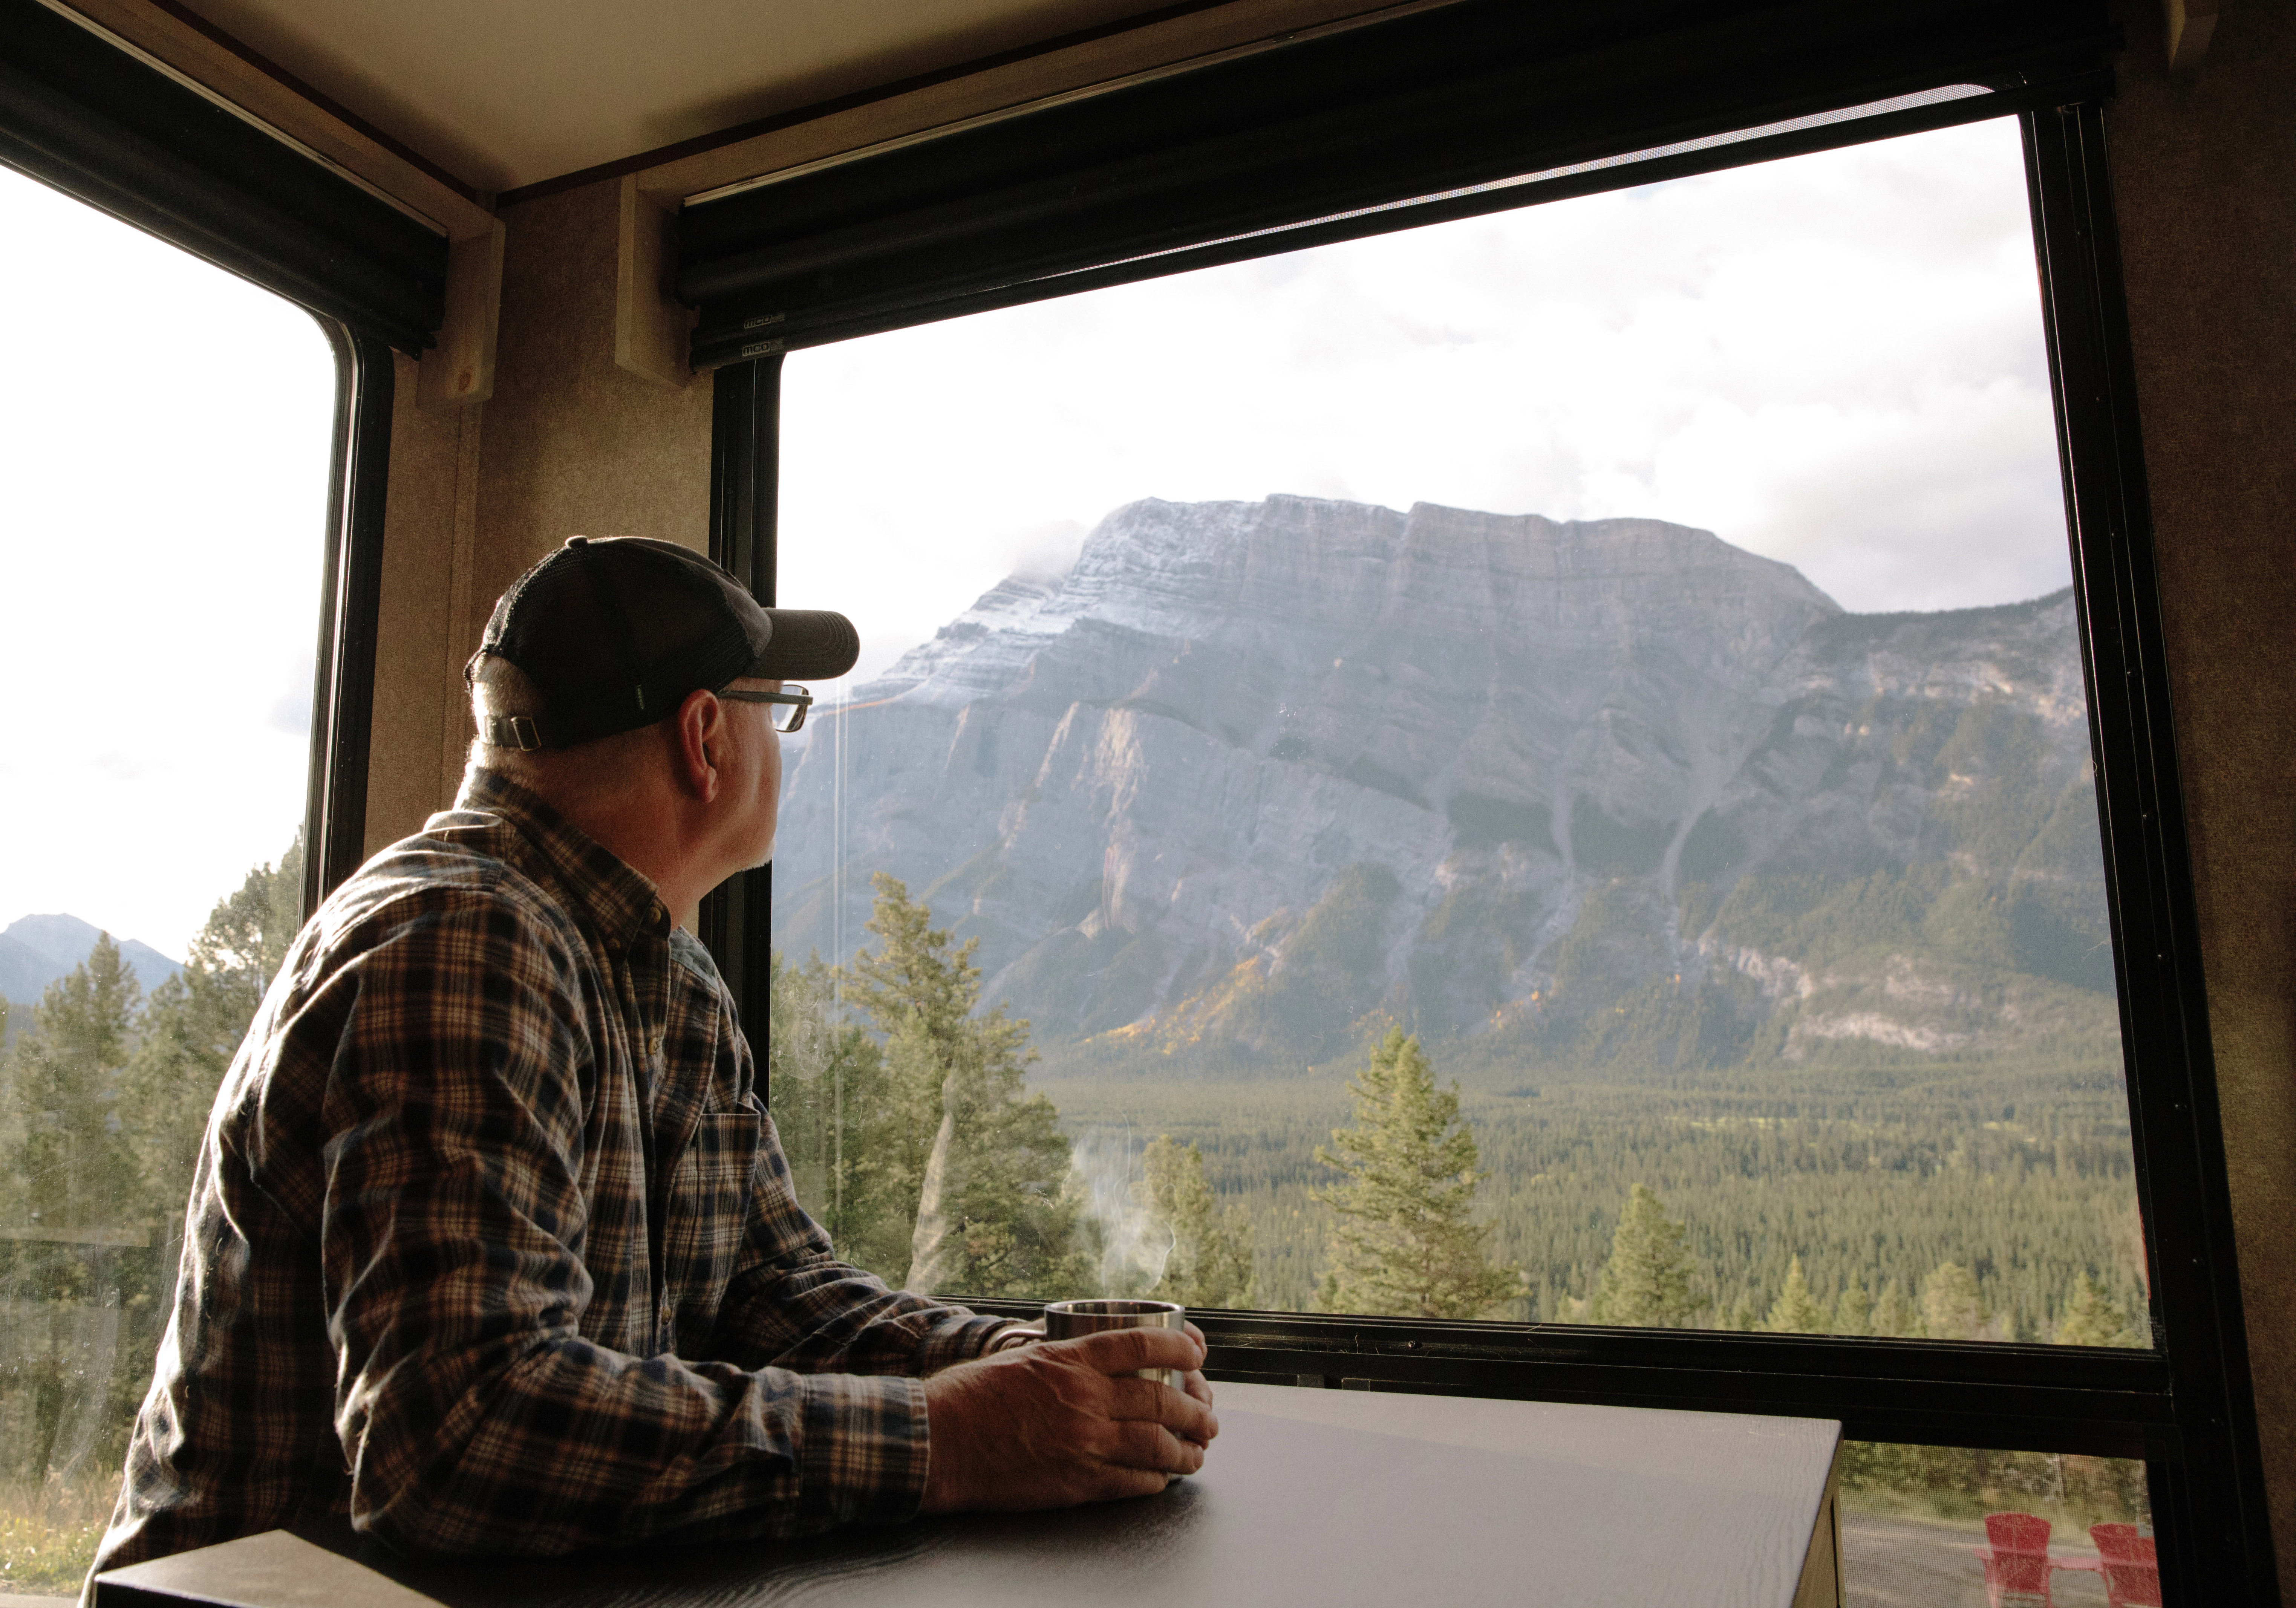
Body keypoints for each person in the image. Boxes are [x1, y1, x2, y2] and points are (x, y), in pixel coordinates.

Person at [90, 536, 1216, 1582]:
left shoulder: (661, 974)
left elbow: (774, 1291)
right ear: (705, 739)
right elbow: (461, 1434)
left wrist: (1025, 1364)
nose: (783, 743)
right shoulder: (464, 944)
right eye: (780, 710)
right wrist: (947, 1438)